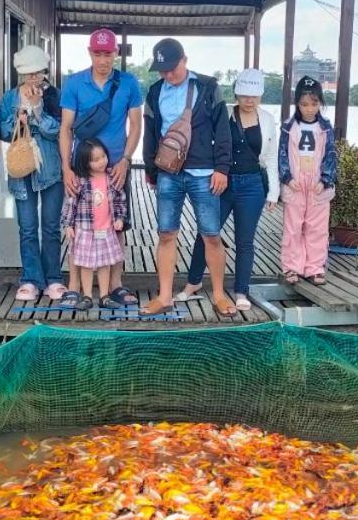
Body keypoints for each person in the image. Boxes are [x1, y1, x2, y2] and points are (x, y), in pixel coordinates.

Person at [141, 38, 235, 317]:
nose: (168, 74)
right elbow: (150, 132)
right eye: (162, 70)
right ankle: (165, 295)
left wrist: (222, 169)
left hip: (204, 173)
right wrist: (150, 169)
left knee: (212, 235)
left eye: (172, 68)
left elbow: (223, 130)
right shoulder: (155, 91)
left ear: (185, 60)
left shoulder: (208, 87)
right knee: (166, 234)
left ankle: (218, 295)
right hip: (168, 172)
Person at [177, 69, 280, 312]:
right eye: (244, 94)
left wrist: (273, 192)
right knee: (208, 234)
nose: (249, 100)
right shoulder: (225, 114)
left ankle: (241, 289)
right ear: (236, 93)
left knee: (245, 240)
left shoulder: (266, 119)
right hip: (223, 181)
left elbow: (272, 158)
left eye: (254, 95)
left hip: (253, 184)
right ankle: (193, 282)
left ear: (261, 95)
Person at [59, 28, 143, 309]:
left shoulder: (129, 83)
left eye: (108, 53)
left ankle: (115, 286)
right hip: (81, 167)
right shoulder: (74, 83)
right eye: (98, 53)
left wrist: (126, 159)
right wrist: (67, 168)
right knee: (78, 226)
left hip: (116, 165)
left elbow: (136, 125)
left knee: (117, 225)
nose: (103, 59)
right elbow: (66, 129)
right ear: (90, 53)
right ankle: (74, 286)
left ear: (115, 53)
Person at [0, 45, 66, 304]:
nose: (33, 79)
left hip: (51, 170)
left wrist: (37, 112)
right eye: (28, 74)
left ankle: (54, 279)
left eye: (37, 73)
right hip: (21, 171)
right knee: (27, 228)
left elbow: (59, 131)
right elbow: (3, 132)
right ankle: (30, 279)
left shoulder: (55, 96)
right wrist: (18, 119)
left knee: (50, 227)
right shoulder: (9, 98)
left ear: (44, 72)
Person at [278, 76, 338, 286]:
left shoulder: (326, 127)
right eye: (304, 104)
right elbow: (282, 154)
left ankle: (314, 267)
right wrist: (286, 177)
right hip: (295, 181)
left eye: (314, 104)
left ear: (320, 103)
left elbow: (331, 154)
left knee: (317, 227)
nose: (309, 109)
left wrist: (325, 179)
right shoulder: (288, 126)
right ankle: (291, 267)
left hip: (317, 183)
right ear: (297, 104)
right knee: (293, 226)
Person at [61, 137, 127, 309]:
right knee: (86, 264)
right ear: (85, 162)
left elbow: (120, 199)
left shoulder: (111, 177)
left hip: (106, 228)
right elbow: (71, 202)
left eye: (103, 156)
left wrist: (120, 218)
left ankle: (104, 296)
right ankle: (87, 295)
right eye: (95, 160)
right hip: (85, 230)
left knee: (105, 263)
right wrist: (68, 225)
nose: (101, 162)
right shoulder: (81, 180)